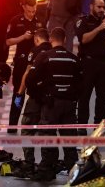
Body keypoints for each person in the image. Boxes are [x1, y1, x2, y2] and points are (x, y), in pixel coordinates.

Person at [26, 27, 82, 181]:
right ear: (64, 40)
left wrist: (40, 96)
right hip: (69, 105)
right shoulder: (73, 58)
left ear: (51, 39)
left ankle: (46, 171)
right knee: (69, 138)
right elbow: (81, 83)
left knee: (49, 137)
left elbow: (30, 80)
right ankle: (74, 172)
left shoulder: (45, 57)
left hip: (50, 104)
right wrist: (73, 98)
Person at [75, 0, 105, 135]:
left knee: (103, 96)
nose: (101, 10)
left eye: (103, 7)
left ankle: (100, 124)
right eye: (99, 7)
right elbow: (84, 39)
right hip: (88, 63)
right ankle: (81, 125)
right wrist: (99, 28)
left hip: (104, 64)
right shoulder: (83, 21)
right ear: (91, 6)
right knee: (84, 95)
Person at [14, 28, 51, 171]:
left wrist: (20, 93)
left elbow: (28, 73)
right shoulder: (54, 50)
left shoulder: (35, 52)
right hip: (50, 98)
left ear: (36, 39)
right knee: (46, 131)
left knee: (27, 128)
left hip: (35, 97)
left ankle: (29, 162)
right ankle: (46, 164)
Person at [6, 0, 44, 134]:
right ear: (23, 7)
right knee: (18, 92)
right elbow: (8, 41)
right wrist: (23, 37)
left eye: (34, 11)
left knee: (39, 93)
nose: (31, 14)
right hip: (21, 62)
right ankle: (12, 125)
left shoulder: (40, 21)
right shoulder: (16, 21)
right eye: (29, 11)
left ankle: (38, 124)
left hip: (37, 62)